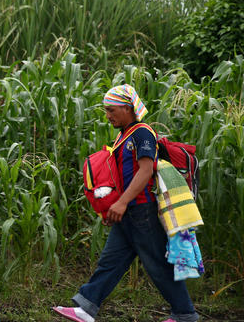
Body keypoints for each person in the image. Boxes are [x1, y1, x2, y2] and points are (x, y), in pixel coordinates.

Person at [53, 84, 199, 322]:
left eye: (111, 110)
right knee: (111, 261)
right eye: (106, 111)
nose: (108, 116)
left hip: (142, 210)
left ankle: (185, 314)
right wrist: (117, 205)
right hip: (128, 211)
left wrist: (121, 203)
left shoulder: (142, 133)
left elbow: (145, 171)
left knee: (157, 265)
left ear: (128, 108)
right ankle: (86, 307)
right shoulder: (124, 135)